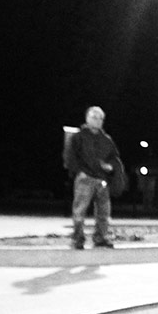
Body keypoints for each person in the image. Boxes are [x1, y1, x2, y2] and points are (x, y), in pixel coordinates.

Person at [62, 106, 123, 249]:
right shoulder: (78, 137)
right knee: (80, 210)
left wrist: (111, 167)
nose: (98, 121)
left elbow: (114, 157)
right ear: (87, 118)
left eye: (101, 118)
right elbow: (70, 156)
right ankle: (78, 238)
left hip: (102, 180)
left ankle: (101, 237)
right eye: (94, 118)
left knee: (104, 212)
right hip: (85, 178)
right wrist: (78, 172)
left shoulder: (106, 140)